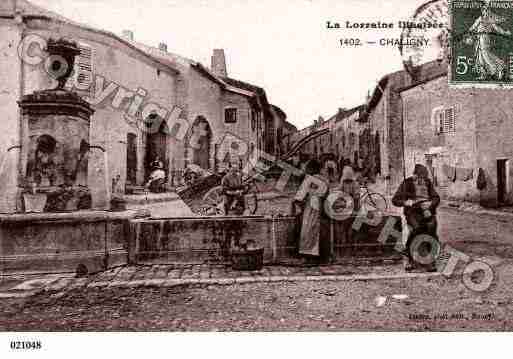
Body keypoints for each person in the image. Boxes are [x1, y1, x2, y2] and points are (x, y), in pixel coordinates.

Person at [392, 164, 440, 271]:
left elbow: (436, 197)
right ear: (415, 175)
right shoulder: (407, 183)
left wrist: (431, 204)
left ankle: (430, 259)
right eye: (419, 177)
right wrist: (406, 202)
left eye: (423, 177)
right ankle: (407, 254)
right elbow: (395, 200)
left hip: (427, 211)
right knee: (417, 228)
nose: (421, 180)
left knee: (431, 228)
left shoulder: (428, 183)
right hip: (413, 212)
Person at [292, 159, 330, 263]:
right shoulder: (324, 180)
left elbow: (300, 195)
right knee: (321, 230)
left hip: (311, 206)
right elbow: (327, 193)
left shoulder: (309, 179)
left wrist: (296, 203)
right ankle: (323, 256)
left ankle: (309, 255)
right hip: (323, 207)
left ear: (310, 169)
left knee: (307, 230)